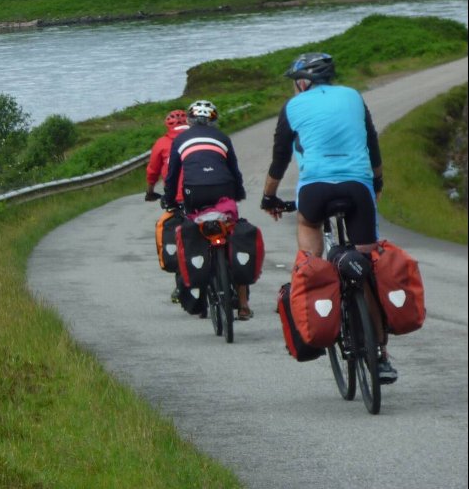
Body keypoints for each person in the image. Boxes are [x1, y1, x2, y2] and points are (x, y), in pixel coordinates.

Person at [259, 51, 396, 383]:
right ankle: (380, 356)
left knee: (309, 240)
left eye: (295, 83)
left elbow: (280, 158)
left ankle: (311, 308)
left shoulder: (292, 108)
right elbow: (372, 143)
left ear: (303, 82)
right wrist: (377, 181)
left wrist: (268, 196)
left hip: (315, 190)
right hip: (357, 187)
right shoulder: (353, 96)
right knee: (366, 267)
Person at [164, 99, 252, 319]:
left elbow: (173, 175)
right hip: (224, 188)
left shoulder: (181, 139)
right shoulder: (222, 137)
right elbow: (235, 170)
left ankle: (200, 289)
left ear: (191, 119)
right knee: (232, 237)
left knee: (197, 234)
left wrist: (170, 200)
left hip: (194, 192)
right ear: (214, 120)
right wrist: (238, 193)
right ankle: (243, 305)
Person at [145, 109, 190, 303]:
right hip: (206, 194)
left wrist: (150, 191)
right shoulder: (197, 138)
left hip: (178, 199)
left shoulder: (162, 143)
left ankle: (181, 287)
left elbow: (153, 170)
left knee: (180, 239)